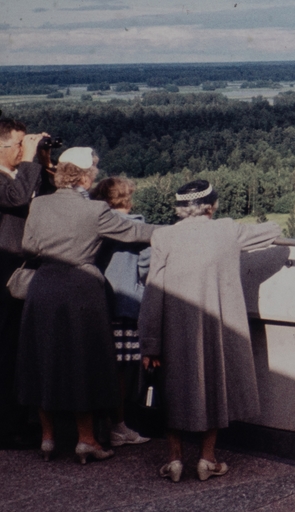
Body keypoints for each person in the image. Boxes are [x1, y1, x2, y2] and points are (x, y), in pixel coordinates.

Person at [16, 147, 156, 464]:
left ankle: (48, 438)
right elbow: (137, 232)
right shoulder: (95, 210)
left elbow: (28, 247)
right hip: (81, 291)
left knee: (42, 360)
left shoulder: (39, 204)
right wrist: (184, 231)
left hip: (43, 287)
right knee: (84, 363)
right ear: (86, 176)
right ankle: (86, 440)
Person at [139, 179, 281, 482]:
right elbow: (273, 231)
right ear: (211, 206)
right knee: (216, 387)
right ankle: (207, 459)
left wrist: (150, 344)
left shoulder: (163, 236)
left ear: (180, 209)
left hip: (173, 328)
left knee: (170, 387)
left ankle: (175, 459)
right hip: (218, 328)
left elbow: (152, 293)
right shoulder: (227, 230)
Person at [0, 118, 51, 450]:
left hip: (21, 276)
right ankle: (6, 428)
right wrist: (30, 159)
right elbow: (17, 198)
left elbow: (44, 198)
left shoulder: (19, 175)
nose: (23, 149)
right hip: (4, 277)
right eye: (20, 144)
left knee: (19, 351)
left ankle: (18, 421)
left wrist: (42, 162)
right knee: (5, 352)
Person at [91, 176, 152, 447]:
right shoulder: (137, 226)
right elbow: (146, 268)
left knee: (100, 368)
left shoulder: (95, 224)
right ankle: (118, 426)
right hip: (125, 307)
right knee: (121, 371)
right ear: (127, 197)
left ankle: (100, 424)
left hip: (97, 304)